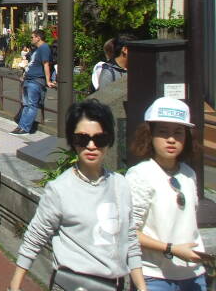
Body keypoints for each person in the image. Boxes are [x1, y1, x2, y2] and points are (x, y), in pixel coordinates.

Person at [8, 99, 147, 291]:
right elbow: (35, 237)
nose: (91, 146)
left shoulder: (120, 185)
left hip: (115, 284)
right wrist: (15, 285)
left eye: (100, 139)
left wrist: (141, 286)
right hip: (73, 285)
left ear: (110, 141)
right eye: (82, 139)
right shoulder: (60, 189)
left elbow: (130, 239)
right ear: (73, 141)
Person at [126, 97, 205, 291]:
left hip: (194, 275)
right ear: (150, 135)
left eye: (178, 133)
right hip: (155, 277)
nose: (171, 139)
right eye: (163, 132)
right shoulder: (139, 175)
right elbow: (128, 232)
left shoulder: (189, 174)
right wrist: (171, 249)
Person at [11, 29, 56, 136]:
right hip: (29, 79)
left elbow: (46, 64)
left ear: (38, 38)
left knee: (31, 105)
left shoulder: (44, 48)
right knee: (26, 104)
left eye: (32, 37)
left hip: (36, 80)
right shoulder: (37, 49)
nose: (31, 39)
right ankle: (21, 126)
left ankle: (25, 128)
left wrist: (48, 80)